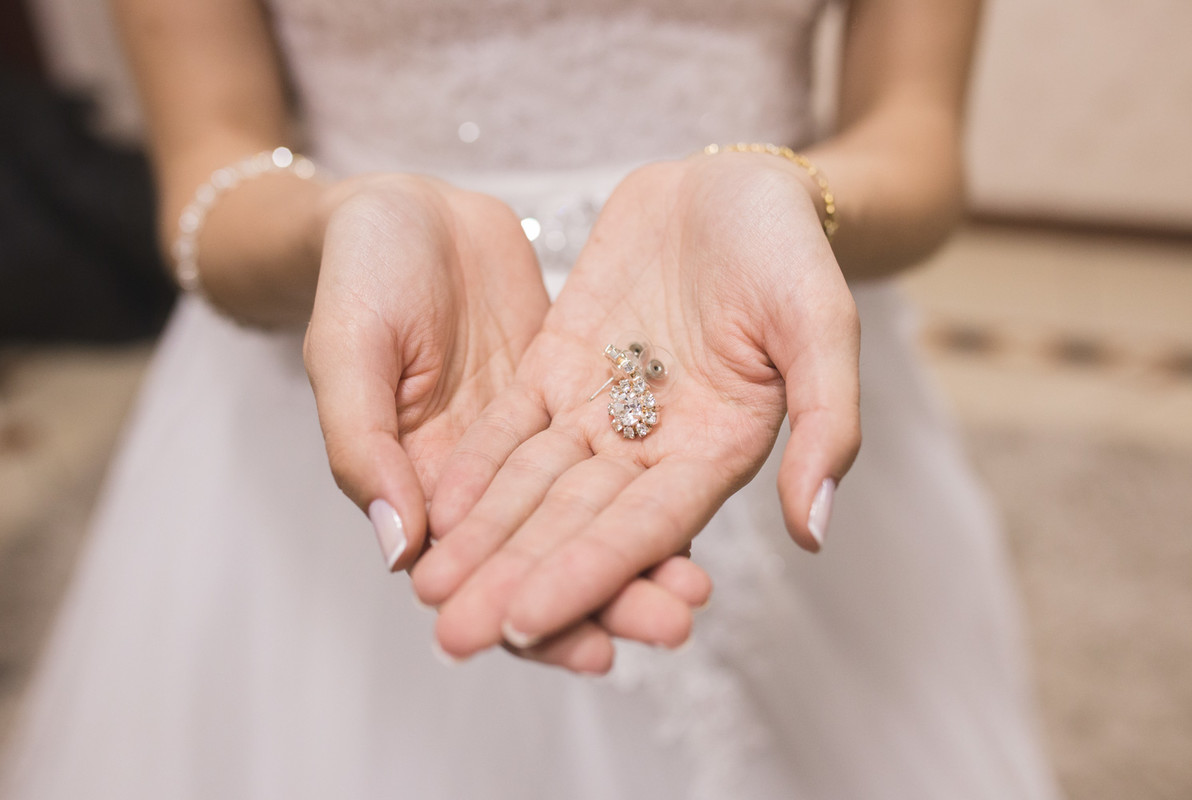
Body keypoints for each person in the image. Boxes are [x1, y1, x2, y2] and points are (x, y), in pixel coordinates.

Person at [1, 0, 1061, 797]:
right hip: (378, 355)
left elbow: (913, 132)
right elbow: (210, 170)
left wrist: (788, 193)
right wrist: (342, 224)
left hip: (746, 338)